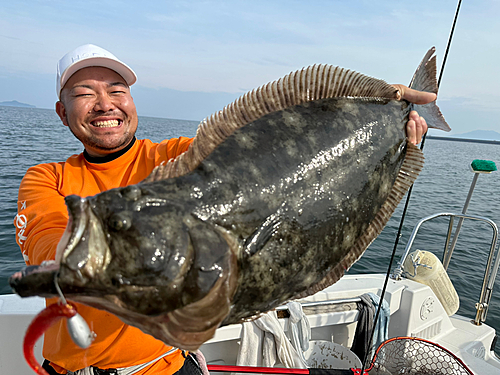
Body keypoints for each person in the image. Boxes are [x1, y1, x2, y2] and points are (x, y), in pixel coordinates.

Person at [14, 44, 431, 375]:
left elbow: (273, 151)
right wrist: (80, 259)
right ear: (62, 112)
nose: (105, 104)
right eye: (85, 94)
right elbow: (46, 238)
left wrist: (384, 106)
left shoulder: (183, 158)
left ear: (131, 101)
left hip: (168, 368)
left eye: (117, 91)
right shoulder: (46, 177)